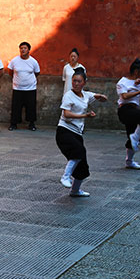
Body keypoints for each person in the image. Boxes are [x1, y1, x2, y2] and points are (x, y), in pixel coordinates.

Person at [56, 68, 107, 196]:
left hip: (77, 134)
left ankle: (75, 190)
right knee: (79, 151)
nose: (76, 84)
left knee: (83, 167)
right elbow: (66, 114)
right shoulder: (68, 95)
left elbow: (95, 96)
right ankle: (65, 177)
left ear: (84, 82)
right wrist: (85, 116)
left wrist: (101, 97)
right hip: (64, 131)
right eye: (74, 81)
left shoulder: (86, 95)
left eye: (79, 81)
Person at [8, 42, 40, 131]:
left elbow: (37, 72)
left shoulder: (33, 61)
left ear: (29, 50)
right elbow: (10, 72)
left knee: (31, 107)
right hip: (17, 88)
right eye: (21, 48)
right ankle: (13, 124)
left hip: (30, 89)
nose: (23, 50)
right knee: (16, 107)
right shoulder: (14, 60)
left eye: (25, 48)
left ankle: (31, 124)